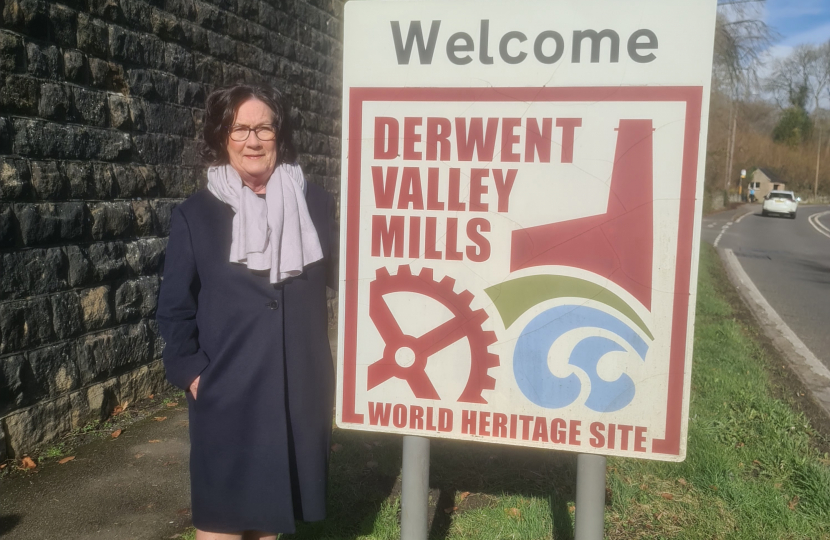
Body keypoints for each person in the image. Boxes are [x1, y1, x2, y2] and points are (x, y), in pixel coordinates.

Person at [157, 84, 337, 540]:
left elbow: (347, 277)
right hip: (226, 388)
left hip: (297, 385)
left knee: (270, 519)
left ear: (280, 135)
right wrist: (195, 374)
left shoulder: (314, 202)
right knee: (220, 521)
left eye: (264, 128)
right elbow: (175, 308)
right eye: (240, 128)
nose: (253, 141)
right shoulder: (195, 215)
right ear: (222, 137)